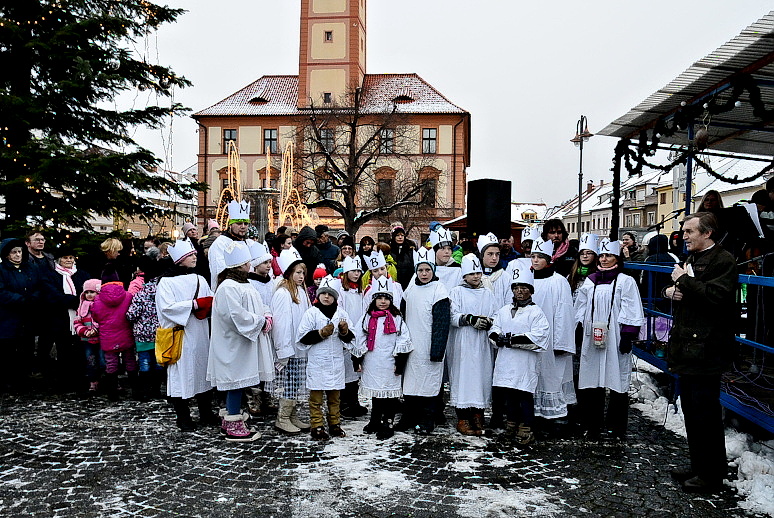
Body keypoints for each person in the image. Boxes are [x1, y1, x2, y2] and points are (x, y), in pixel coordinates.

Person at [665, 212, 737, 494]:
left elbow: (716, 296)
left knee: (705, 413)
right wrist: (670, 290)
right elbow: (688, 291)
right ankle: (699, 466)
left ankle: (711, 474)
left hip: (707, 348)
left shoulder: (723, 260)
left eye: (689, 232)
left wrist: (683, 281)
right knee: (692, 411)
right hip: (688, 346)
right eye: (684, 231)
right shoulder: (693, 258)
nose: (684, 236)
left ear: (707, 233)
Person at [574, 238, 644, 442]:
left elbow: (632, 307)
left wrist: (628, 334)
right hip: (593, 336)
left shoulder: (625, 281)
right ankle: (592, 424)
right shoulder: (590, 281)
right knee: (592, 379)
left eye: (609, 256)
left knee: (616, 379)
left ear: (617, 258)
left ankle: (616, 426)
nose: (604, 259)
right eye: (602, 255)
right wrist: (579, 327)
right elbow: (580, 306)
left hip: (615, 336)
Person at [208, 242, 270, 442]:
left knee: (238, 382)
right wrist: (260, 321)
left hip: (242, 343)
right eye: (247, 262)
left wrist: (265, 314)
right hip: (232, 344)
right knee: (235, 381)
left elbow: (255, 305)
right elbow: (235, 315)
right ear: (241, 265)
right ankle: (233, 422)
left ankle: (230, 419)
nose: (250, 265)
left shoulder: (243, 283)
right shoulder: (228, 287)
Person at [156, 240, 218, 431]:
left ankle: (206, 412)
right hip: (179, 335)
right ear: (180, 259)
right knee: (179, 375)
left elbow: (210, 301)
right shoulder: (166, 282)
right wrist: (194, 305)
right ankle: (183, 416)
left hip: (199, 333)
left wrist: (207, 305)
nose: (194, 257)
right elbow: (166, 308)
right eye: (190, 255)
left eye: (194, 254)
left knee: (202, 372)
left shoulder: (200, 279)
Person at [489, 264, 550, 445]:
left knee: (524, 395)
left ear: (531, 290)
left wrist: (511, 340)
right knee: (510, 395)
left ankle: (526, 427)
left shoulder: (536, 312)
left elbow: (539, 336)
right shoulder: (504, 310)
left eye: (524, 288)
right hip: (506, 362)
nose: (520, 291)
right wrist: (497, 338)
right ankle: (511, 424)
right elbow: (494, 327)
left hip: (524, 363)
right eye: (516, 288)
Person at [397, 251, 451, 435]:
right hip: (412, 346)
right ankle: (409, 416)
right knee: (410, 383)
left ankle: (428, 418)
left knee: (429, 384)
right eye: (420, 270)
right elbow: (402, 316)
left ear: (433, 271)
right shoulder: (411, 289)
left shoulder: (439, 290)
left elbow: (442, 323)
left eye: (428, 270)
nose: (424, 273)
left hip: (429, 346)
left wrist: (437, 350)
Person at [351, 286, 413, 440]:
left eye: (386, 299)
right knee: (376, 393)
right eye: (379, 298)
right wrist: (357, 359)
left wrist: (400, 361)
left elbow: (403, 339)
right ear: (374, 300)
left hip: (390, 361)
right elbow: (359, 338)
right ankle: (375, 420)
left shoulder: (396, 318)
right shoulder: (367, 317)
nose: (383, 301)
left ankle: (388, 422)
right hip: (372, 361)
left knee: (389, 394)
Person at [297, 280, 356, 440]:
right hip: (318, 361)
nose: (326, 297)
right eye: (323, 293)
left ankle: (334, 423)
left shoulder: (341, 313)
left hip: (335, 362)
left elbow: (351, 339)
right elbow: (302, 337)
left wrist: (344, 332)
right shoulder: (311, 313)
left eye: (330, 294)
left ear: (335, 297)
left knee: (334, 397)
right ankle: (317, 425)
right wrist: (320, 333)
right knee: (316, 398)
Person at [448, 254, 498, 436]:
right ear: (465, 275)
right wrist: (469, 319)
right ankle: (463, 417)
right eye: (472, 274)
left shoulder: (487, 293)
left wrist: (489, 322)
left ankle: (478, 414)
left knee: (481, 376)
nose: (476, 277)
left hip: (482, 343)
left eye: (478, 273)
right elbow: (452, 315)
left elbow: (496, 314)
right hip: (463, 342)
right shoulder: (456, 292)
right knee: (463, 377)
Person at [529, 238, 575, 432]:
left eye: (540, 257)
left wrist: (561, 342)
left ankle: (553, 418)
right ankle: (533, 416)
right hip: (531, 339)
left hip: (551, 340)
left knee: (552, 376)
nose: (535, 260)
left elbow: (564, 313)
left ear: (548, 259)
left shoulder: (558, 281)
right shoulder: (527, 279)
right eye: (533, 256)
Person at [271, 248, 313, 435]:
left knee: (296, 382)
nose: (301, 276)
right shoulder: (283, 293)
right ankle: (282, 417)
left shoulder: (300, 292)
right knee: (289, 382)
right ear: (289, 273)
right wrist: (283, 349)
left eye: (303, 273)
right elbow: (281, 323)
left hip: (300, 347)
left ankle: (292, 414)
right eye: (298, 272)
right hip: (290, 348)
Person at [0, 239, 45, 393]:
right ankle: (8, 381)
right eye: (14, 252)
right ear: (7, 255)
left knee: (27, 348)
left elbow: (39, 286)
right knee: (8, 350)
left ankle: (23, 379)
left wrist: (34, 298)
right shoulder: (2, 270)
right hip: (8, 317)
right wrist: (20, 299)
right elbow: (1, 292)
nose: (18, 255)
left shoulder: (30, 268)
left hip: (28, 316)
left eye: (19, 251)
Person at [48, 246, 92, 392]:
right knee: (63, 350)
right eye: (65, 258)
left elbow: (89, 293)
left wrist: (79, 301)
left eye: (71, 258)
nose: (68, 260)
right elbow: (53, 295)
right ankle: (65, 382)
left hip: (81, 319)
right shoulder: (51, 275)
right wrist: (76, 301)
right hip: (60, 319)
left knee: (80, 352)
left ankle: (80, 381)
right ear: (59, 260)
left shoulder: (82, 274)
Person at [91, 270, 137, 402]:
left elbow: (96, 316)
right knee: (130, 361)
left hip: (108, 336)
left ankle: (112, 393)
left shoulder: (98, 300)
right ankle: (136, 391)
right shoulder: (128, 296)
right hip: (126, 334)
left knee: (111, 364)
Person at [244, 241, 278, 417]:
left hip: (270, 327)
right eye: (265, 262)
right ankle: (253, 397)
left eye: (269, 262)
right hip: (257, 327)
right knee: (255, 362)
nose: (268, 265)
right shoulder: (249, 283)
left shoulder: (271, 283)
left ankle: (267, 393)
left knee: (268, 361)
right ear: (256, 265)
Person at [125, 256, 164, 401]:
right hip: (160, 333)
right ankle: (156, 390)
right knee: (159, 362)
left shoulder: (141, 294)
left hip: (143, 335)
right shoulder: (163, 291)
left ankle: (146, 391)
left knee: (145, 363)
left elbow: (131, 314)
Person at [335, 255, 369, 418]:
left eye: (358, 271)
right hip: (346, 335)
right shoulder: (342, 292)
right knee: (346, 370)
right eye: (353, 271)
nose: (356, 274)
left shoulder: (361, 292)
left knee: (355, 371)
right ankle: (344, 404)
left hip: (358, 335)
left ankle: (354, 402)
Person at [208, 200, 254, 288]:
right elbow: (219, 269)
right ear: (231, 225)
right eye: (239, 223)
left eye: (246, 224)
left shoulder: (248, 243)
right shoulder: (220, 243)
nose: (243, 226)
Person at [73, 279, 102, 394]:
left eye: (92, 292)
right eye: (87, 292)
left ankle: (109, 380)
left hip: (101, 339)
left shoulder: (102, 306)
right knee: (91, 361)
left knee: (104, 361)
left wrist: (96, 330)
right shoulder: (81, 307)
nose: (89, 294)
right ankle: (93, 381)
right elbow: (77, 322)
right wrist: (85, 331)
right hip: (87, 340)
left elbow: (105, 320)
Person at [389, 226, 416, 290]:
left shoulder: (410, 249)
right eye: (397, 235)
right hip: (393, 282)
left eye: (402, 235)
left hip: (407, 281)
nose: (400, 237)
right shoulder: (389, 249)